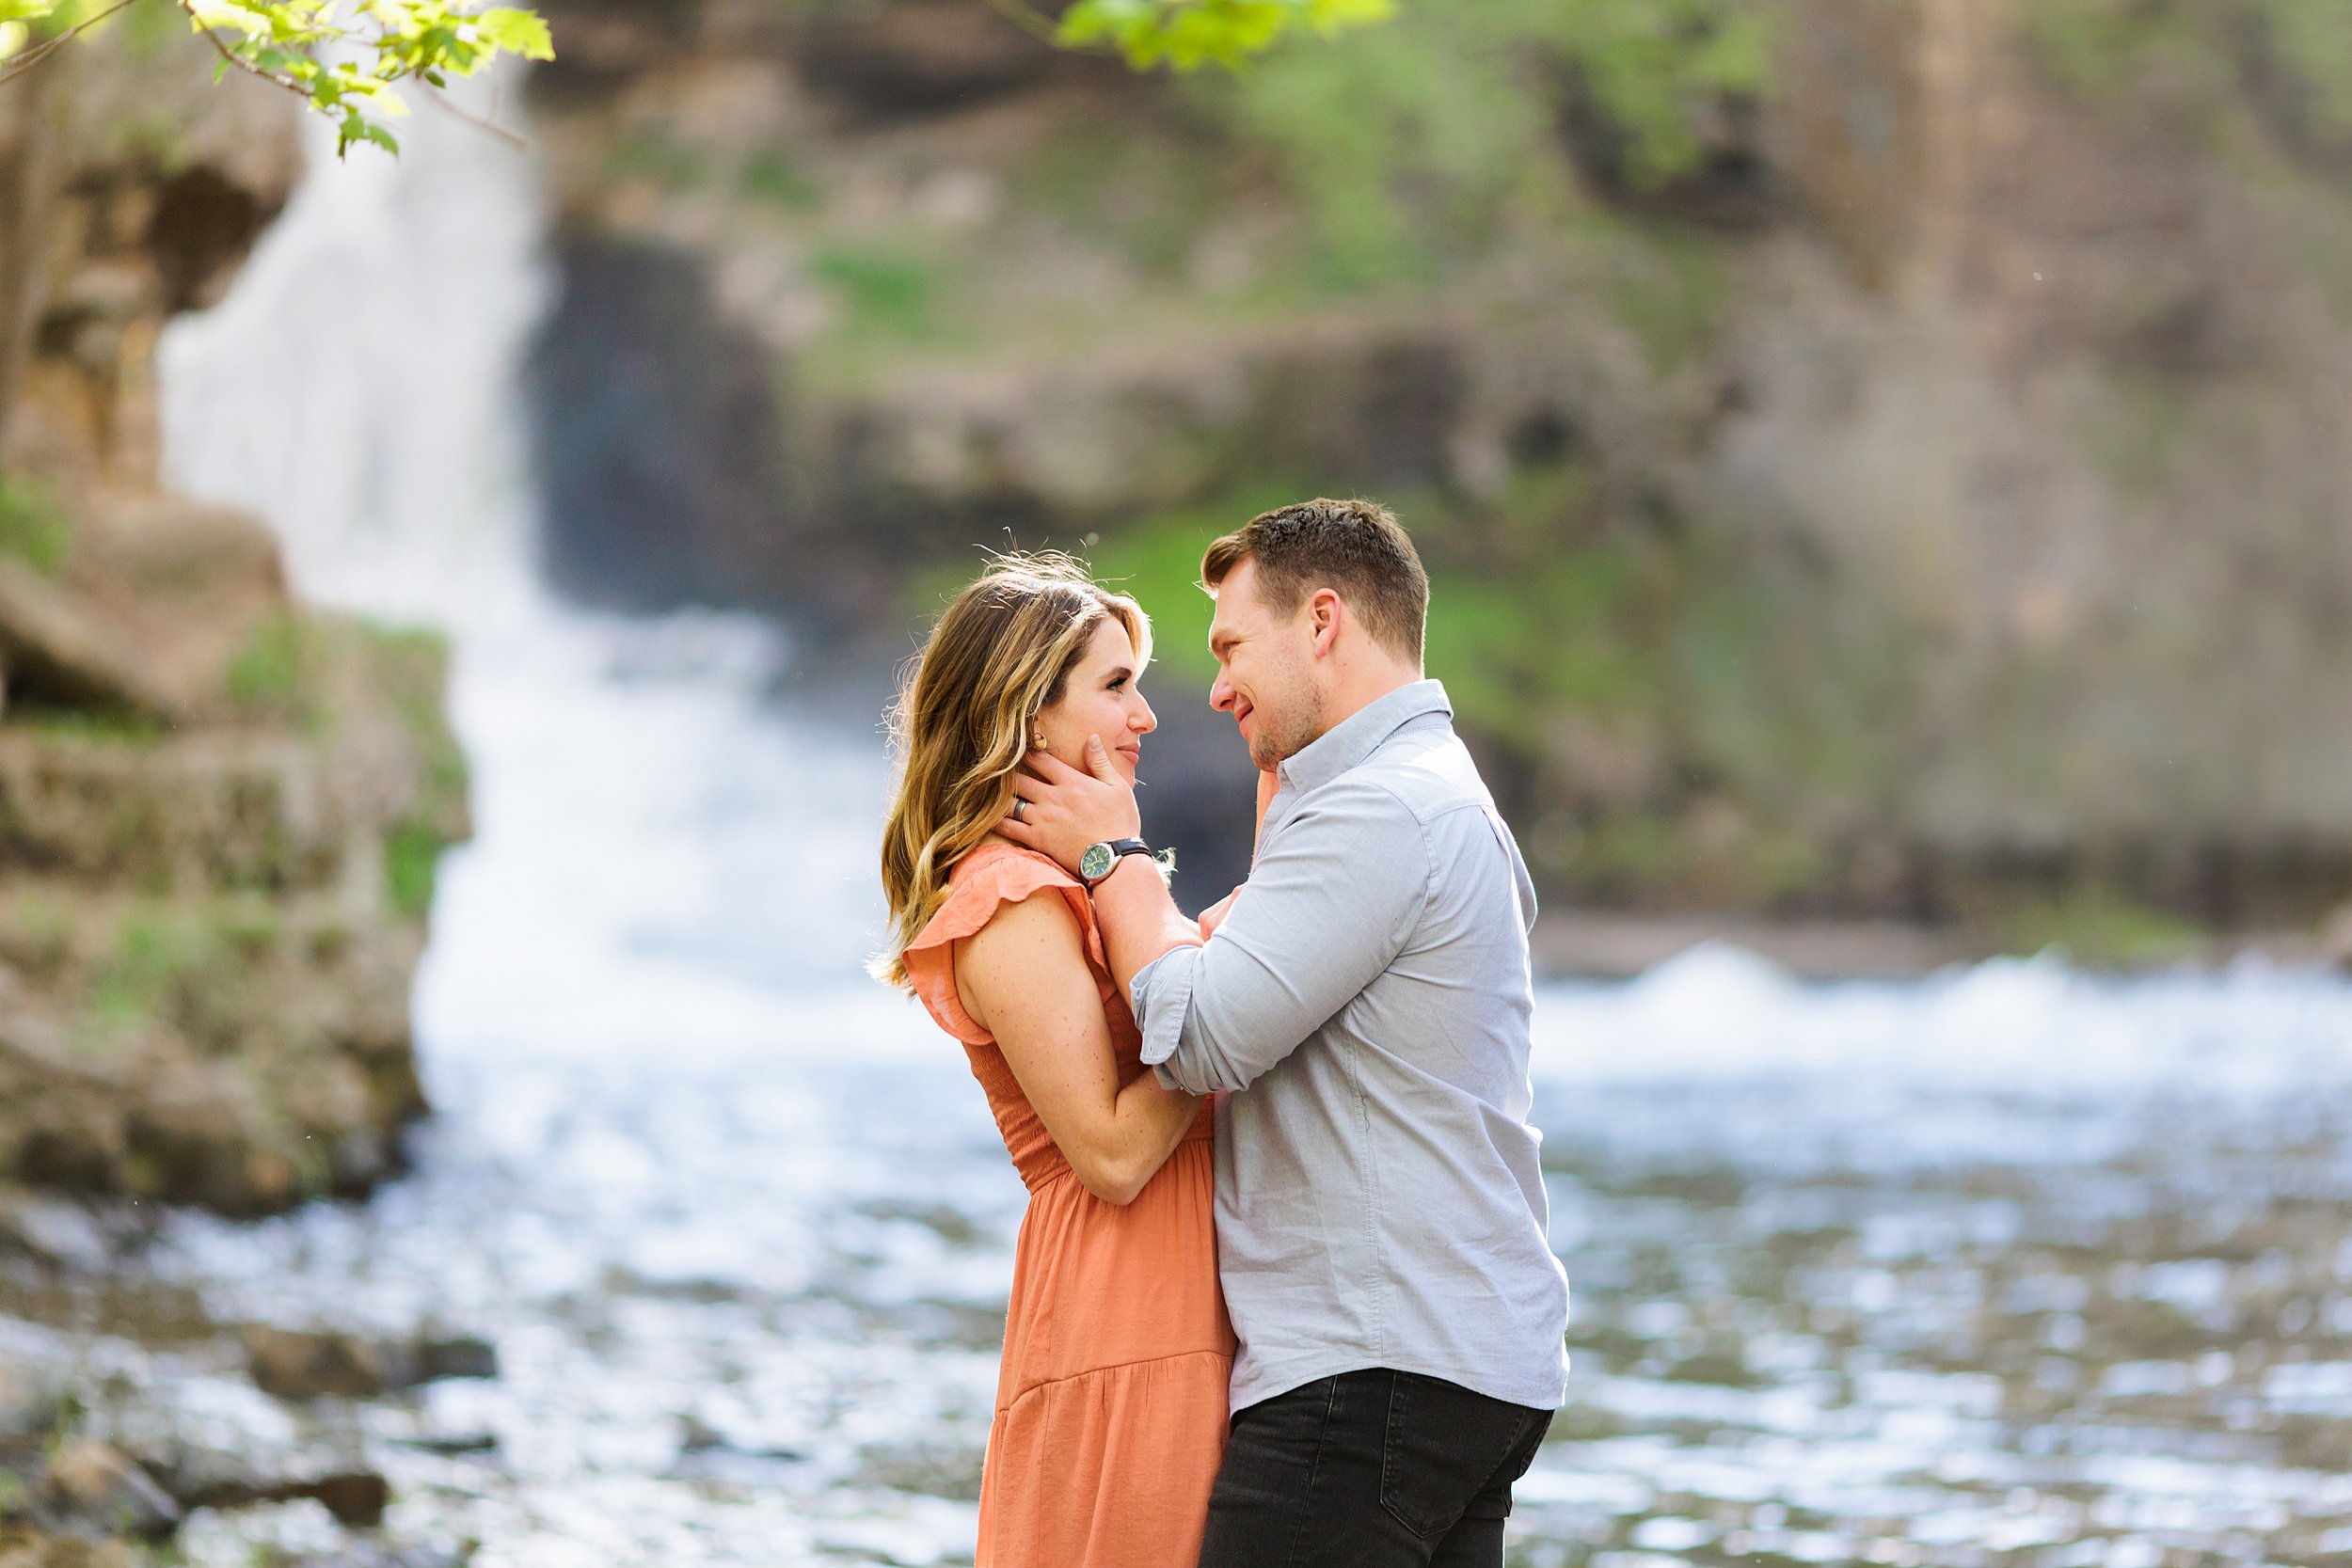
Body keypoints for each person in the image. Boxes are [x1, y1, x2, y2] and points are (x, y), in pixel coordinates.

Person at [999, 499, 1570, 1568]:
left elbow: (1199, 1035)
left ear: (1320, 621)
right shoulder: (1412, 794)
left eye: (1229, 646)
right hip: (1455, 1363)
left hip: (1372, 1372)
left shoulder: (1383, 809)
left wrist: (1111, 857)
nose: (1212, 690)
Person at [873, 554, 1234, 1568]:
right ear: (1031, 714)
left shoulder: (1071, 880)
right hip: (1127, 1308)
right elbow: (1112, 1153)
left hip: (1185, 1293)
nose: (1146, 717)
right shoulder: (1010, 899)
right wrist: (1232, 993)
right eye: (1116, 686)